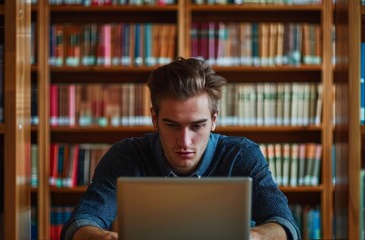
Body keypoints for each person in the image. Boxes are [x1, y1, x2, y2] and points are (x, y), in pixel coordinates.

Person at [61, 57, 300, 240]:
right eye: (172, 125)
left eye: (197, 126)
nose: (185, 142)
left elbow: (283, 223)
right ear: (154, 119)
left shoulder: (242, 154)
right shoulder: (125, 156)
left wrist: (252, 236)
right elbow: (81, 222)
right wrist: (103, 237)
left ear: (214, 120)